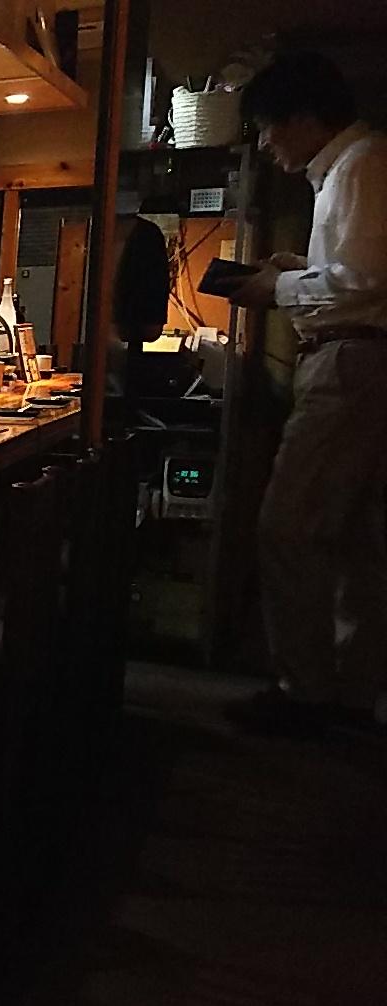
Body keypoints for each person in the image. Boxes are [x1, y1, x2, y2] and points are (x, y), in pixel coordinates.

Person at [228, 52, 387, 733]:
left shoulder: (360, 164)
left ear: (301, 117)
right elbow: (357, 271)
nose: (266, 144)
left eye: (268, 127)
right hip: (360, 360)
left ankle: (307, 693)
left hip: (349, 361)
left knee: (288, 526)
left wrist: (279, 286)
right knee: (358, 540)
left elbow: (363, 281)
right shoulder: (354, 167)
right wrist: (302, 269)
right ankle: (350, 694)